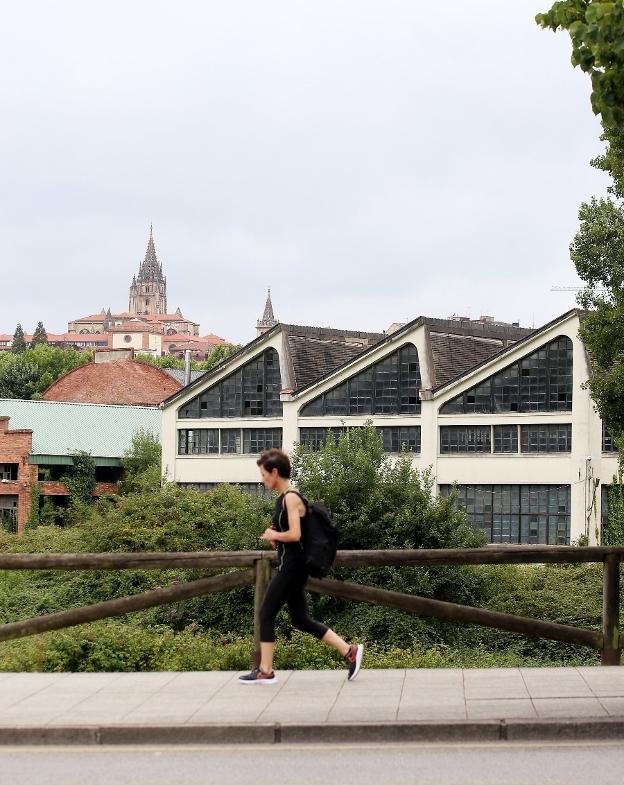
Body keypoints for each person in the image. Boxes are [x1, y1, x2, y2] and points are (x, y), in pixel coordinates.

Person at [239, 447, 363, 684]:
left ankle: (265, 670)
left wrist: (273, 535)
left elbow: (295, 534)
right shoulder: (284, 498)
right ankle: (350, 651)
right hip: (291, 564)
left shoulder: (292, 498)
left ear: (275, 472)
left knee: (265, 614)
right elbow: (292, 534)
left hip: (293, 568)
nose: (262, 479)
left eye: (264, 474)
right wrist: (276, 537)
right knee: (301, 619)